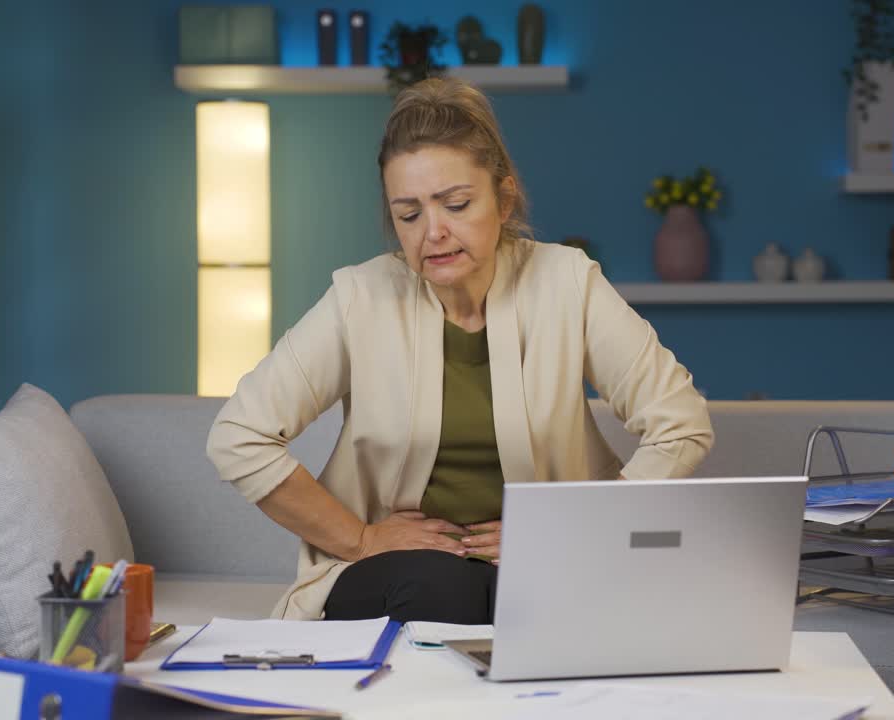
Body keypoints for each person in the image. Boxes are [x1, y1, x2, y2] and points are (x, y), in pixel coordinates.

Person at [206, 77, 714, 623]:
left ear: (504, 197)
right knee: (438, 586)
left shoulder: (568, 282)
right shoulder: (360, 298)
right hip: (400, 572)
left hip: (543, 561)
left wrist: (569, 529)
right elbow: (239, 437)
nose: (434, 232)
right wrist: (359, 538)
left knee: (530, 592)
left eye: (455, 204)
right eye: (409, 214)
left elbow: (681, 423)